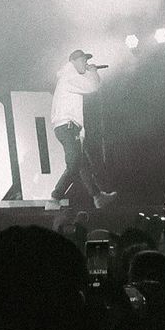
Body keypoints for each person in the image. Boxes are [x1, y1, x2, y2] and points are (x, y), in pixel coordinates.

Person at [50, 48, 116, 209]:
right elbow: (93, 86)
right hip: (67, 126)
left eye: (86, 61)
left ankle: (98, 196)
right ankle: (54, 198)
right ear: (72, 62)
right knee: (74, 165)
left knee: (82, 165)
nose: (86, 63)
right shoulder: (69, 76)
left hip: (69, 127)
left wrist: (81, 133)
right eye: (82, 60)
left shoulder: (70, 77)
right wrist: (93, 72)